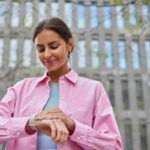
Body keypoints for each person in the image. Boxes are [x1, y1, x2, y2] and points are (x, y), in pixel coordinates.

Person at [0, 17, 123, 150]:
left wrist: (74, 127)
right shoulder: (21, 89)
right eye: (40, 49)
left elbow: (114, 146)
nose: (47, 54)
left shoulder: (93, 90)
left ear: (69, 44)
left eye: (54, 46)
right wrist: (32, 123)